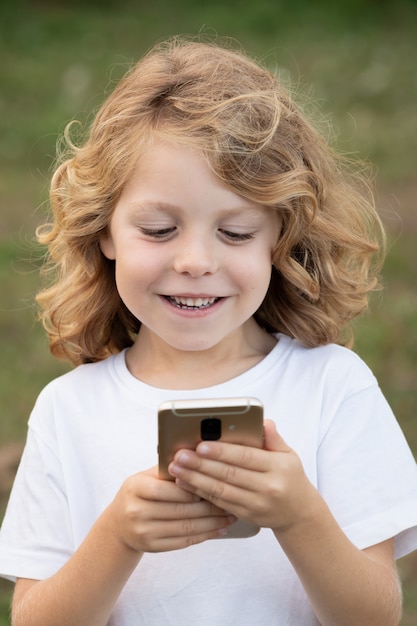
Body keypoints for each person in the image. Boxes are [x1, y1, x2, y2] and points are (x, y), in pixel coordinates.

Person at [0, 36, 416, 626]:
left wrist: (299, 516)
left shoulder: (332, 389)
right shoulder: (68, 412)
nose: (195, 260)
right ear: (105, 230)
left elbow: (376, 616)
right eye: (160, 229)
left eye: (237, 232)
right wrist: (117, 537)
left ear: (280, 237)